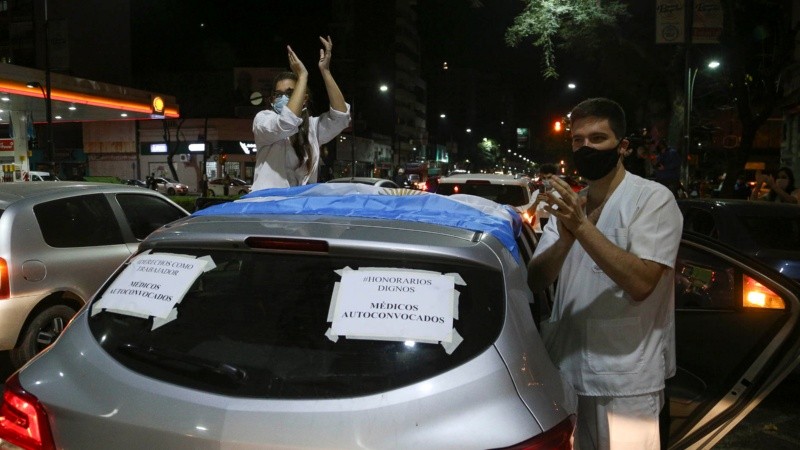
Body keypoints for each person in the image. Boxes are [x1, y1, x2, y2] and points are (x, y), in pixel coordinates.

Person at [527, 98, 683, 449]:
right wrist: (565, 238)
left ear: (623, 146)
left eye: (597, 139)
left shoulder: (652, 200)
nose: (586, 147)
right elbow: (536, 280)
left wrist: (581, 227)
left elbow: (642, 282)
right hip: (567, 373)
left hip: (629, 384)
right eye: (578, 140)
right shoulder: (573, 203)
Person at [251, 36, 350, 191]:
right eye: (278, 94)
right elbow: (286, 122)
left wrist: (325, 71)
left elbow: (341, 117)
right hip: (268, 205)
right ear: (271, 99)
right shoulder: (263, 120)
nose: (283, 98)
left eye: (291, 93)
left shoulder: (312, 127)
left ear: (303, 99)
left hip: (298, 208)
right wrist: (302, 75)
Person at [532, 163, 558, 234]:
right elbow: (529, 214)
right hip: (538, 232)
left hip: (554, 233)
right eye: (544, 178)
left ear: (555, 177)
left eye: (549, 177)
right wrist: (535, 203)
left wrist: (551, 203)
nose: (546, 180)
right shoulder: (536, 194)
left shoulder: (560, 194)